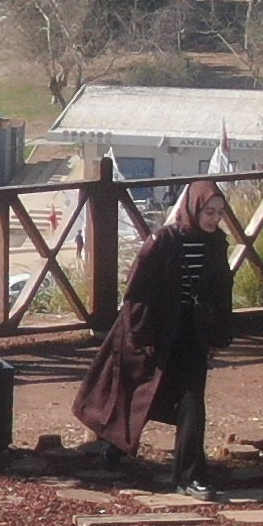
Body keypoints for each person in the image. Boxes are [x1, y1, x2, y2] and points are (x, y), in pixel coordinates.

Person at [72, 180, 235, 491]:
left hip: (191, 331)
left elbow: (221, 289)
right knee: (138, 392)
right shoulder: (163, 242)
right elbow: (137, 292)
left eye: (219, 213)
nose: (214, 219)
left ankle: (190, 476)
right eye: (209, 211)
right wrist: (138, 334)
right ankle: (117, 445)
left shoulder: (216, 244)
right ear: (193, 208)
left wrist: (219, 333)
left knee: (191, 400)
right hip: (155, 327)